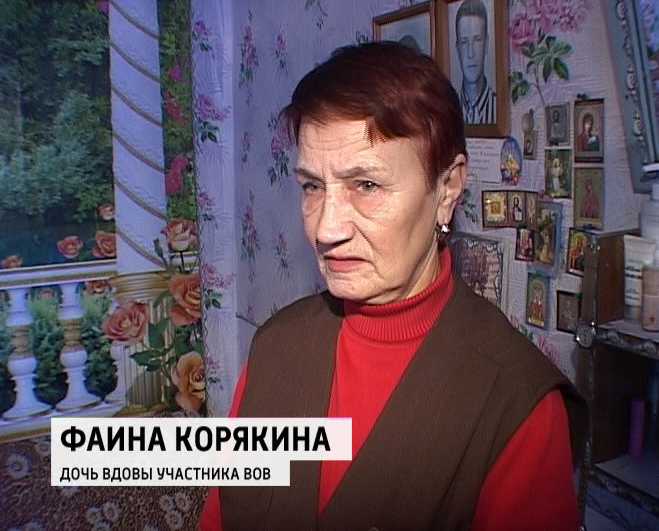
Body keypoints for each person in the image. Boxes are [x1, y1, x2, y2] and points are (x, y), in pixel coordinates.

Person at [199, 42, 586, 531]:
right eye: (312, 186)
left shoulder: (518, 407)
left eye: (366, 185)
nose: (325, 229)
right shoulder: (275, 347)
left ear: (447, 189)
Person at [455, 0, 496, 124]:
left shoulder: (498, 108)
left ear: (486, 44)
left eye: (477, 40)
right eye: (464, 42)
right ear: (457, 48)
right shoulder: (447, 109)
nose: (470, 53)